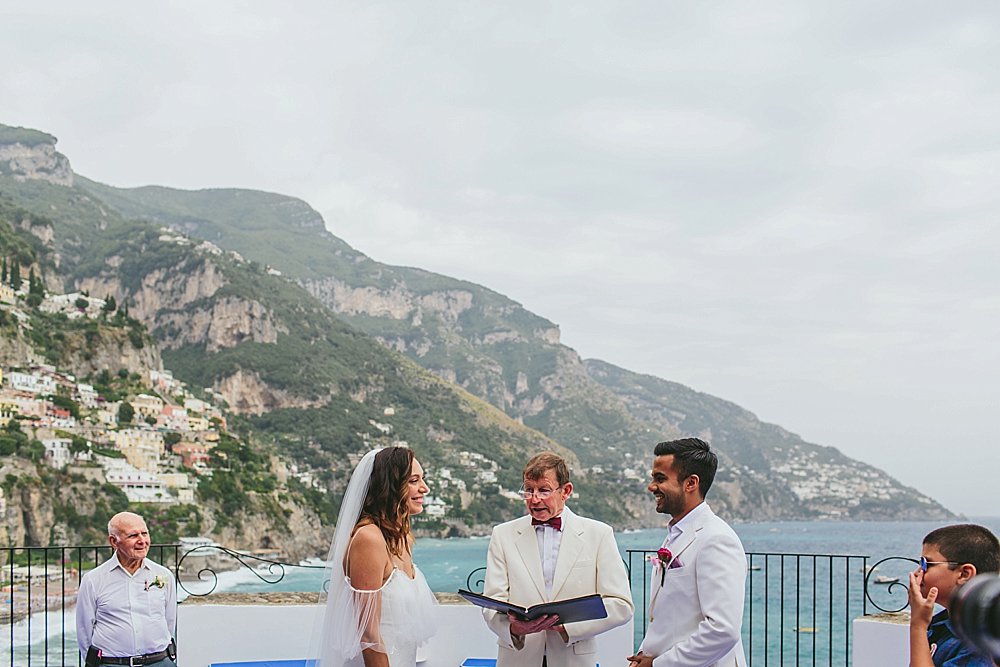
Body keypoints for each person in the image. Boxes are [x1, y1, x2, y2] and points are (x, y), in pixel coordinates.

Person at [482, 451, 634, 666]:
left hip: (573, 656)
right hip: (517, 657)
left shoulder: (599, 534)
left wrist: (568, 628)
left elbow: (621, 604)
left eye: (543, 491)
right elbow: (491, 602)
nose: (534, 499)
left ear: (566, 491)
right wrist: (514, 628)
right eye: (528, 490)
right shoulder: (502, 534)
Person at [315, 446, 437, 667]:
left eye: (423, 479)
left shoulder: (403, 537)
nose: (425, 488)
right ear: (389, 486)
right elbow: (368, 637)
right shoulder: (369, 539)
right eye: (413, 481)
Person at [630, 438, 746, 667]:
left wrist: (657, 664)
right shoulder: (678, 532)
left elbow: (723, 629)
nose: (651, 486)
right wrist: (646, 653)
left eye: (660, 478)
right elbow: (670, 617)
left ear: (691, 483)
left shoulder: (716, 539)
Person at [76, 511, 177, 667]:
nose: (142, 541)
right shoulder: (93, 580)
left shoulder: (164, 575)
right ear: (114, 542)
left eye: (145, 533)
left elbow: (169, 620)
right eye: (133, 536)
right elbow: (84, 630)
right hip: (112, 664)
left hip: (159, 663)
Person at [908, 523, 1000, 667]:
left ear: (964, 574)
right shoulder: (942, 624)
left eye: (927, 564)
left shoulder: (978, 643)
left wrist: (917, 626)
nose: (917, 572)